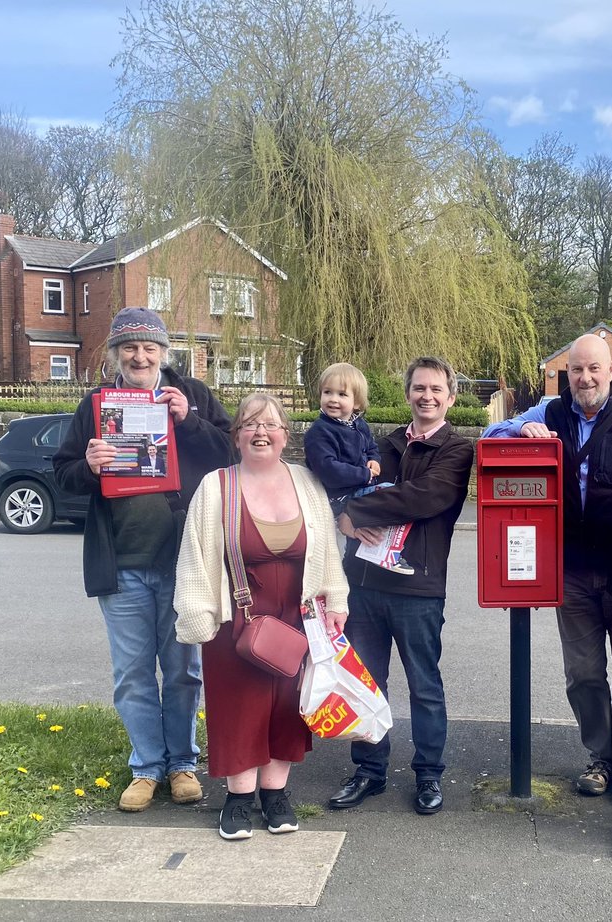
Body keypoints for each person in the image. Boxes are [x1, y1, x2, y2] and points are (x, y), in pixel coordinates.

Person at [53, 307, 234, 812]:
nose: (139, 355)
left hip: (184, 561)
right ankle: (145, 767)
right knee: (132, 672)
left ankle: (181, 764)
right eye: (129, 348)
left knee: (182, 670)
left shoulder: (192, 395)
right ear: (116, 354)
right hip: (123, 563)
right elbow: (64, 473)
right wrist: (88, 466)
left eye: (148, 347)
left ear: (162, 352)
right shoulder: (97, 404)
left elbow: (233, 456)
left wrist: (189, 421)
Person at [483, 333, 612, 806]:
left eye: (594, 369)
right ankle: (599, 758)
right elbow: (489, 437)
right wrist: (520, 431)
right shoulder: (548, 413)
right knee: (583, 675)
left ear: (611, 372)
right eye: (577, 370)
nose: (584, 378)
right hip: (573, 571)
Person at [173, 393, 349, 840]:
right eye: (250, 425)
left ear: (285, 435)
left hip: (297, 615)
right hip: (236, 618)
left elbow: (327, 549)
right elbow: (195, 555)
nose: (261, 432)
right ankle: (237, 800)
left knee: (289, 707)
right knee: (239, 707)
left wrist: (337, 601)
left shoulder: (308, 482)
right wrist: (197, 613)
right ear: (236, 437)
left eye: (270, 425)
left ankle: (275, 796)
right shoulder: (216, 486)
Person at [330, 357, 473, 816]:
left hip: (419, 588)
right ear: (408, 393)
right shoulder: (383, 443)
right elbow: (338, 484)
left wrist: (357, 510)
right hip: (365, 585)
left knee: (424, 686)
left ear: (450, 398)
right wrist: (343, 516)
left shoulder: (456, 450)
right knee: (367, 683)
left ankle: (429, 774)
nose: (426, 396)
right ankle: (369, 772)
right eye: (419, 388)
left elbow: (426, 497)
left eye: (436, 389)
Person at [304, 362, 413, 575]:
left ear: (356, 403)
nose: (333, 399)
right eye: (328, 392)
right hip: (336, 496)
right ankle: (384, 552)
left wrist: (374, 460)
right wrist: (364, 474)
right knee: (388, 494)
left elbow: (371, 447)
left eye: (342, 394)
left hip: (356, 488)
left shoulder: (358, 425)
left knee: (394, 495)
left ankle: (382, 551)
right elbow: (328, 469)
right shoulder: (320, 432)